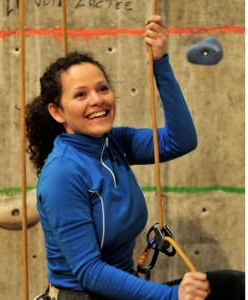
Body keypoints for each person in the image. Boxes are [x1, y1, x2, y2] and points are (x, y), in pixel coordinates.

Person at [26, 15, 244, 300]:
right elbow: (89, 270)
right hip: (82, 296)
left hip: (120, 291)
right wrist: (170, 296)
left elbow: (181, 141)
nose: (97, 100)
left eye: (102, 88)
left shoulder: (114, 143)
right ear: (57, 112)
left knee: (235, 286)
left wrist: (160, 63)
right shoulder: (63, 173)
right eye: (81, 94)